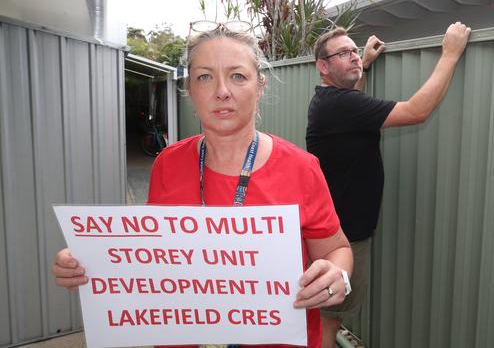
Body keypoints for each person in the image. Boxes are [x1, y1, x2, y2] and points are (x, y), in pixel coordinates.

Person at [51, 22, 353, 348]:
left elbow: (338, 249)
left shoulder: (301, 168)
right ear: (190, 90)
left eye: (238, 75)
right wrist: (90, 262)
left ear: (260, 86)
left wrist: (338, 278)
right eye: (205, 77)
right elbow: (158, 256)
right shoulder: (167, 162)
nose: (222, 90)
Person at [306, 22, 471, 348]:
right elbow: (417, 111)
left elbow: (353, 99)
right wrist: (450, 54)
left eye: (354, 51)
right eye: (344, 54)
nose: (353, 57)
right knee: (330, 318)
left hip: (339, 228)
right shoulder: (339, 106)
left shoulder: (332, 101)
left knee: (330, 313)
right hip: (343, 236)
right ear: (323, 67)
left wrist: (363, 64)